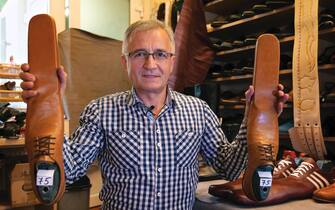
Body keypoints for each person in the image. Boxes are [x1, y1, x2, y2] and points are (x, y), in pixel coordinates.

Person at [20, 20, 289, 210]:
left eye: (160, 54)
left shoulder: (199, 111)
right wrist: (47, 108)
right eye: (140, 54)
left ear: (171, 61)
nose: (150, 64)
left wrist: (252, 119)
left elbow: (230, 167)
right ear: (125, 62)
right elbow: (70, 168)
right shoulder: (100, 111)